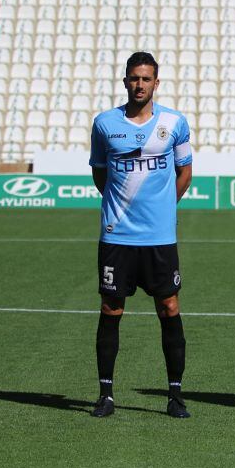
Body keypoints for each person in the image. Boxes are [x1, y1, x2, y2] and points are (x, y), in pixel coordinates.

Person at [88, 52, 194, 419]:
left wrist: (163, 208)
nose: (139, 85)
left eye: (146, 79)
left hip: (159, 239)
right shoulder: (104, 123)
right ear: (125, 81)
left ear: (156, 83)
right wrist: (120, 208)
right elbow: (100, 175)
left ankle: (175, 395)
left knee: (168, 308)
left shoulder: (175, 122)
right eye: (134, 78)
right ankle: (106, 395)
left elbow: (185, 173)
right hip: (117, 238)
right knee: (111, 308)